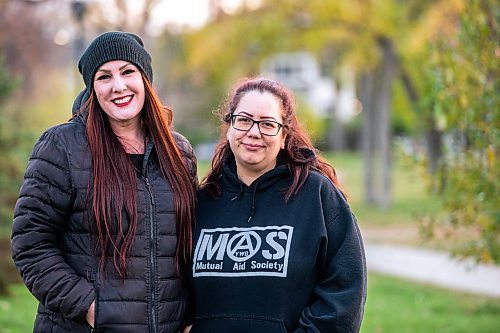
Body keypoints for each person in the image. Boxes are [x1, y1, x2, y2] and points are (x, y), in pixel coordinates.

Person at [11, 31, 197, 332]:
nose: (118, 86)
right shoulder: (63, 146)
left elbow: (187, 245)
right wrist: (91, 309)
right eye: (104, 76)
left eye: (128, 72)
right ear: (92, 88)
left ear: (145, 80)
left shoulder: (178, 153)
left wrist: (189, 314)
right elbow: (30, 245)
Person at [188, 78, 366, 333]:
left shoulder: (316, 196)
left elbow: (345, 291)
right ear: (229, 127)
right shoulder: (202, 202)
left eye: (268, 124)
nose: (254, 132)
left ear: (284, 136)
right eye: (244, 120)